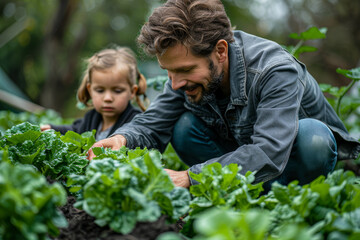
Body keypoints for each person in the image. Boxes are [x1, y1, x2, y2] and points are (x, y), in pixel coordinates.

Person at [88, 0, 360, 191]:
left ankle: (290, 201)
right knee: (183, 128)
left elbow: (269, 150)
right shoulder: (186, 74)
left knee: (314, 139)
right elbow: (153, 122)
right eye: (168, 71)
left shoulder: (275, 70)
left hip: (294, 163)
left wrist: (190, 178)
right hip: (246, 162)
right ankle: (249, 195)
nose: (175, 83)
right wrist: (122, 138)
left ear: (220, 51)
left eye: (184, 70)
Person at [41, 46, 148, 141]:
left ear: (132, 92)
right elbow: (74, 131)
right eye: (100, 90)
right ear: (90, 90)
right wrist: (52, 129)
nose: (108, 98)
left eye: (117, 91)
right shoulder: (91, 118)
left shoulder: (135, 122)